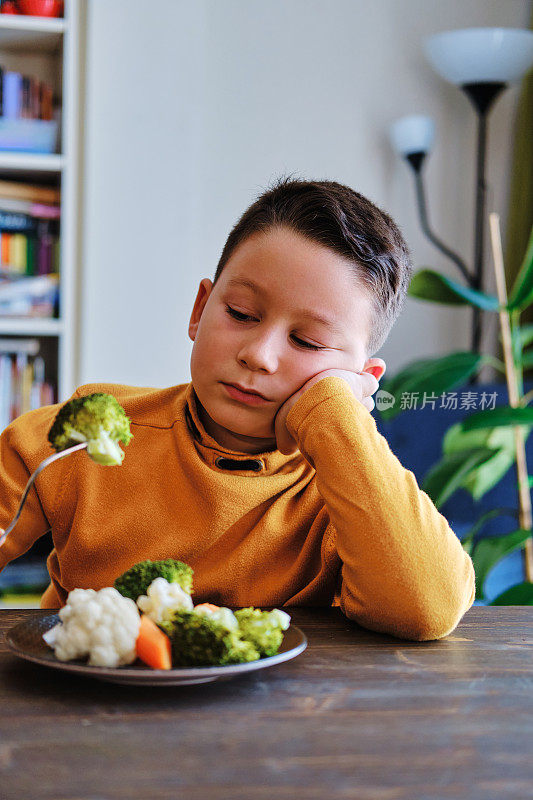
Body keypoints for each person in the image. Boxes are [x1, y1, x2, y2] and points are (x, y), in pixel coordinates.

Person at [0, 176, 475, 641]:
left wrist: (333, 413)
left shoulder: (348, 488)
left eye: (308, 342)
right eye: (242, 314)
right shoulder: (95, 429)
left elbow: (426, 610)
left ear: (361, 382)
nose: (259, 355)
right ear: (200, 308)